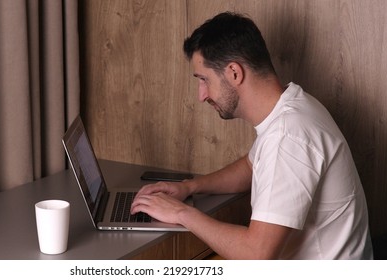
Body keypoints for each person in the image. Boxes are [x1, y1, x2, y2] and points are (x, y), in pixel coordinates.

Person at [131, 11, 373, 259]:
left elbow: (257, 255)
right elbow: (251, 166)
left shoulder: (288, 136)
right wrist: (189, 187)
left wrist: (181, 213)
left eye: (204, 79)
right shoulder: (295, 106)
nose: (201, 95)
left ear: (235, 73)